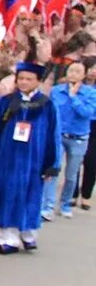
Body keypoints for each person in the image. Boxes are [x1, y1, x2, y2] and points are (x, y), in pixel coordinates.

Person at [0, 62, 60, 253]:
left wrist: (51, 164)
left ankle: (28, 234)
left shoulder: (47, 105)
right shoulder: (6, 102)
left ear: (38, 81)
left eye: (28, 79)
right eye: (20, 78)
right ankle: (8, 239)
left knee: (31, 195)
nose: (23, 82)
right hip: (7, 159)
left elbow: (53, 135)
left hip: (34, 161)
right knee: (6, 195)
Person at [47, 61, 96, 219]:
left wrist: (74, 97)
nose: (74, 73)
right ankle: (47, 206)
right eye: (71, 70)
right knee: (53, 170)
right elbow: (51, 112)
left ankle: (66, 203)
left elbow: (87, 113)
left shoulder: (90, 93)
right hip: (59, 135)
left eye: (78, 71)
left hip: (79, 137)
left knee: (71, 174)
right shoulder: (56, 90)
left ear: (83, 75)